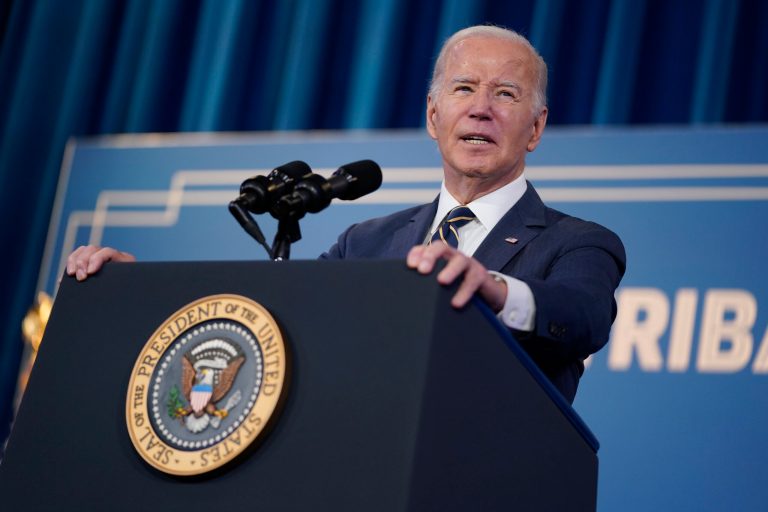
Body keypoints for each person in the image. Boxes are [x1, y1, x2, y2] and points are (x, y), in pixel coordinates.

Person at [67, 25, 625, 404]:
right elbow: (279, 323)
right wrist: (140, 292)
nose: (480, 108)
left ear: (536, 127)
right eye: (464, 88)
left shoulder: (578, 242)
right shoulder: (366, 241)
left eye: (505, 94)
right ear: (434, 117)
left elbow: (583, 316)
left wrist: (493, 289)